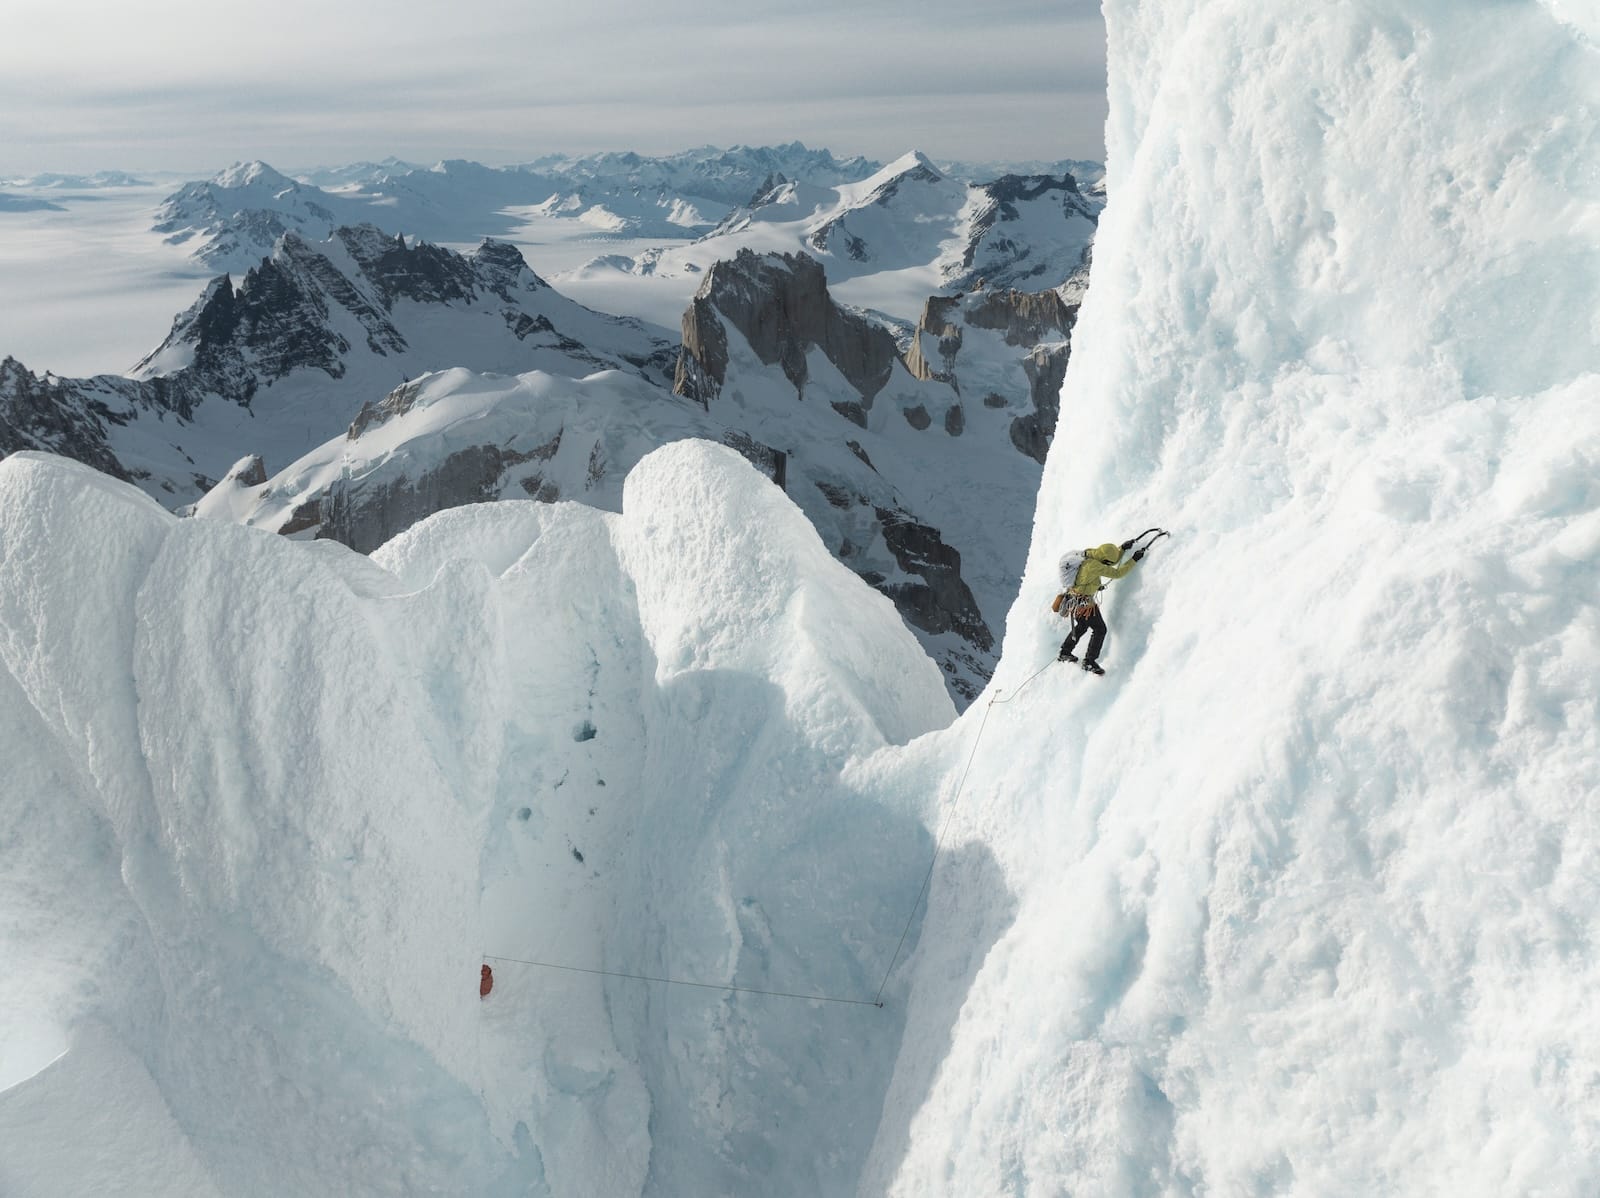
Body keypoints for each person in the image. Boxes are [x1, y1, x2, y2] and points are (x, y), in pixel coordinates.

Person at [1057, 540, 1145, 674]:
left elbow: (1108, 560)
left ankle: (1065, 652)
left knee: (1082, 626)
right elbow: (1117, 573)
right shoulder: (1094, 566)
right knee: (1100, 629)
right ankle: (1089, 661)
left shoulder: (1090, 554)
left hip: (1073, 600)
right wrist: (1134, 559)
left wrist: (1121, 549)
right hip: (1084, 604)